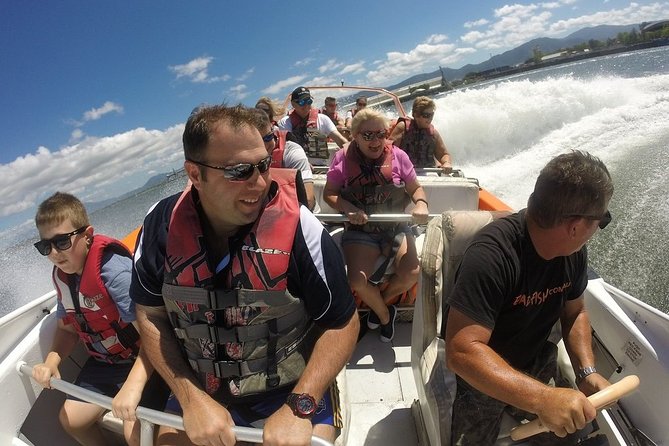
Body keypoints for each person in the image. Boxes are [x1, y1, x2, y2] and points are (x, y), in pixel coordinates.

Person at [130, 104, 359, 446]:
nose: (259, 181)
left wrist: (299, 406)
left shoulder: (301, 228)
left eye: (263, 165)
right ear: (195, 174)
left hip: (289, 391)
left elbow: (342, 323)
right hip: (196, 387)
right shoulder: (159, 226)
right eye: (239, 170)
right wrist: (191, 398)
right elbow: (149, 315)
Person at [444, 150, 614, 445]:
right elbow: (462, 352)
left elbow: (575, 312)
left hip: (536, 360)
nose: (598, 229)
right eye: (601, 220)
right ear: (574, 227)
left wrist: (586, 372)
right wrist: (543, 398)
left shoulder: (573, 252)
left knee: (573, 430)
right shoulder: (492, 256)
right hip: (483, 377)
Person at [32, 192, 167, 446]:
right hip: (106, 364)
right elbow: (68, 329)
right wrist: (51, 361)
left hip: (147, 359)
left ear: (87, 235)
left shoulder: (114, 273)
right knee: (71, 420)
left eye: (62, 242)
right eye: (45, 246)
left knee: (135, 436)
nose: (54, 253)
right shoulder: (64, 277)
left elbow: (154, 336)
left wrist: (133, 385)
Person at [323, 108, 429, 343]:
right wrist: (348, 209)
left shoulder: (399, 156)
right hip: (361, 230)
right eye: (367, 135)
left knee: (412, 272)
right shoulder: (342, 158)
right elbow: (329, 194)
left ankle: (378, 304)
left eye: (380, 134)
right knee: (357, 281)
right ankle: (383, 315)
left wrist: (420, 203)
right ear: (355, 136)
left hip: (394, 228)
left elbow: (415, 189)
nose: (376, 141)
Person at [250, 107, 317, 211]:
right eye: (258, 140)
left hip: (297, 213)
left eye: (268, 138)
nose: (264, 145)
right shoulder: (242, 156)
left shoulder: (292, 152)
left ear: (273, 131)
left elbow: (308, 200)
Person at [277, 86, 348, 166]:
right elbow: (287, 149)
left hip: (320, 168)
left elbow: (339, 140)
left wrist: (354, 152)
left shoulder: (323, 119)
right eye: (302, 102)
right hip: (297, 168)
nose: (306, 105)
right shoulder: (285, 123)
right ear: (293, 104)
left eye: (309, 101)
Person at [389, 96, 452, 173]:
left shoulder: (433, 133)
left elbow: (443, 154)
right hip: (406, 174)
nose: (430, 118)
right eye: (426, 115)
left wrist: (446, 163)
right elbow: (389, 151)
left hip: (430, 173)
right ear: (416, 115)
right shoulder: (403, 127)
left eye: (432, 115)